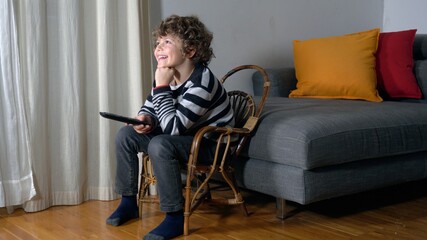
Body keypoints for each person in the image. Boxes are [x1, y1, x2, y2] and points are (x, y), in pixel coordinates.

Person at [106, 15, 234, 240]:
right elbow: (153, 110)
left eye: (167, 42)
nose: (159, 48)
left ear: (191, 50)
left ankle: (174, 216)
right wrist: (144, 118)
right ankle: (128, 202)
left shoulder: (202, 82)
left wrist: (162, 86)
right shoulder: (166, 76)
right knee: (126, 135)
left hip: (209, 145)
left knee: (161, 143)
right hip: (184, 138)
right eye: (158, 42)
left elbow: (173, 129)